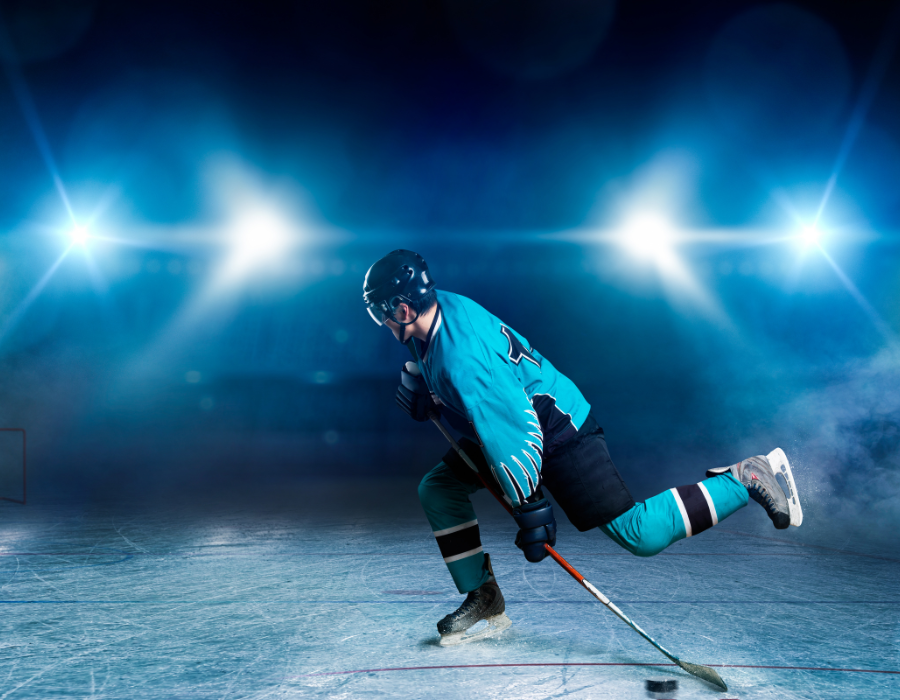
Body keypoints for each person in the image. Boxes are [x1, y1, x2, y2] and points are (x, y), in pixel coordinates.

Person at [363, 249, 803, 645]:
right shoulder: (434, 318)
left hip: (558, 430)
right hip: (508, 426)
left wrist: (529, 506)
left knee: (641, 534)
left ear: (402, 308)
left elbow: (517, 435)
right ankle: (485, 597)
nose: (382, 323)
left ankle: (745, 477)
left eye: (383, 313)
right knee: (438, 488)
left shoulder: (464, 357)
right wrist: (425, 387)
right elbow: (484, 407)